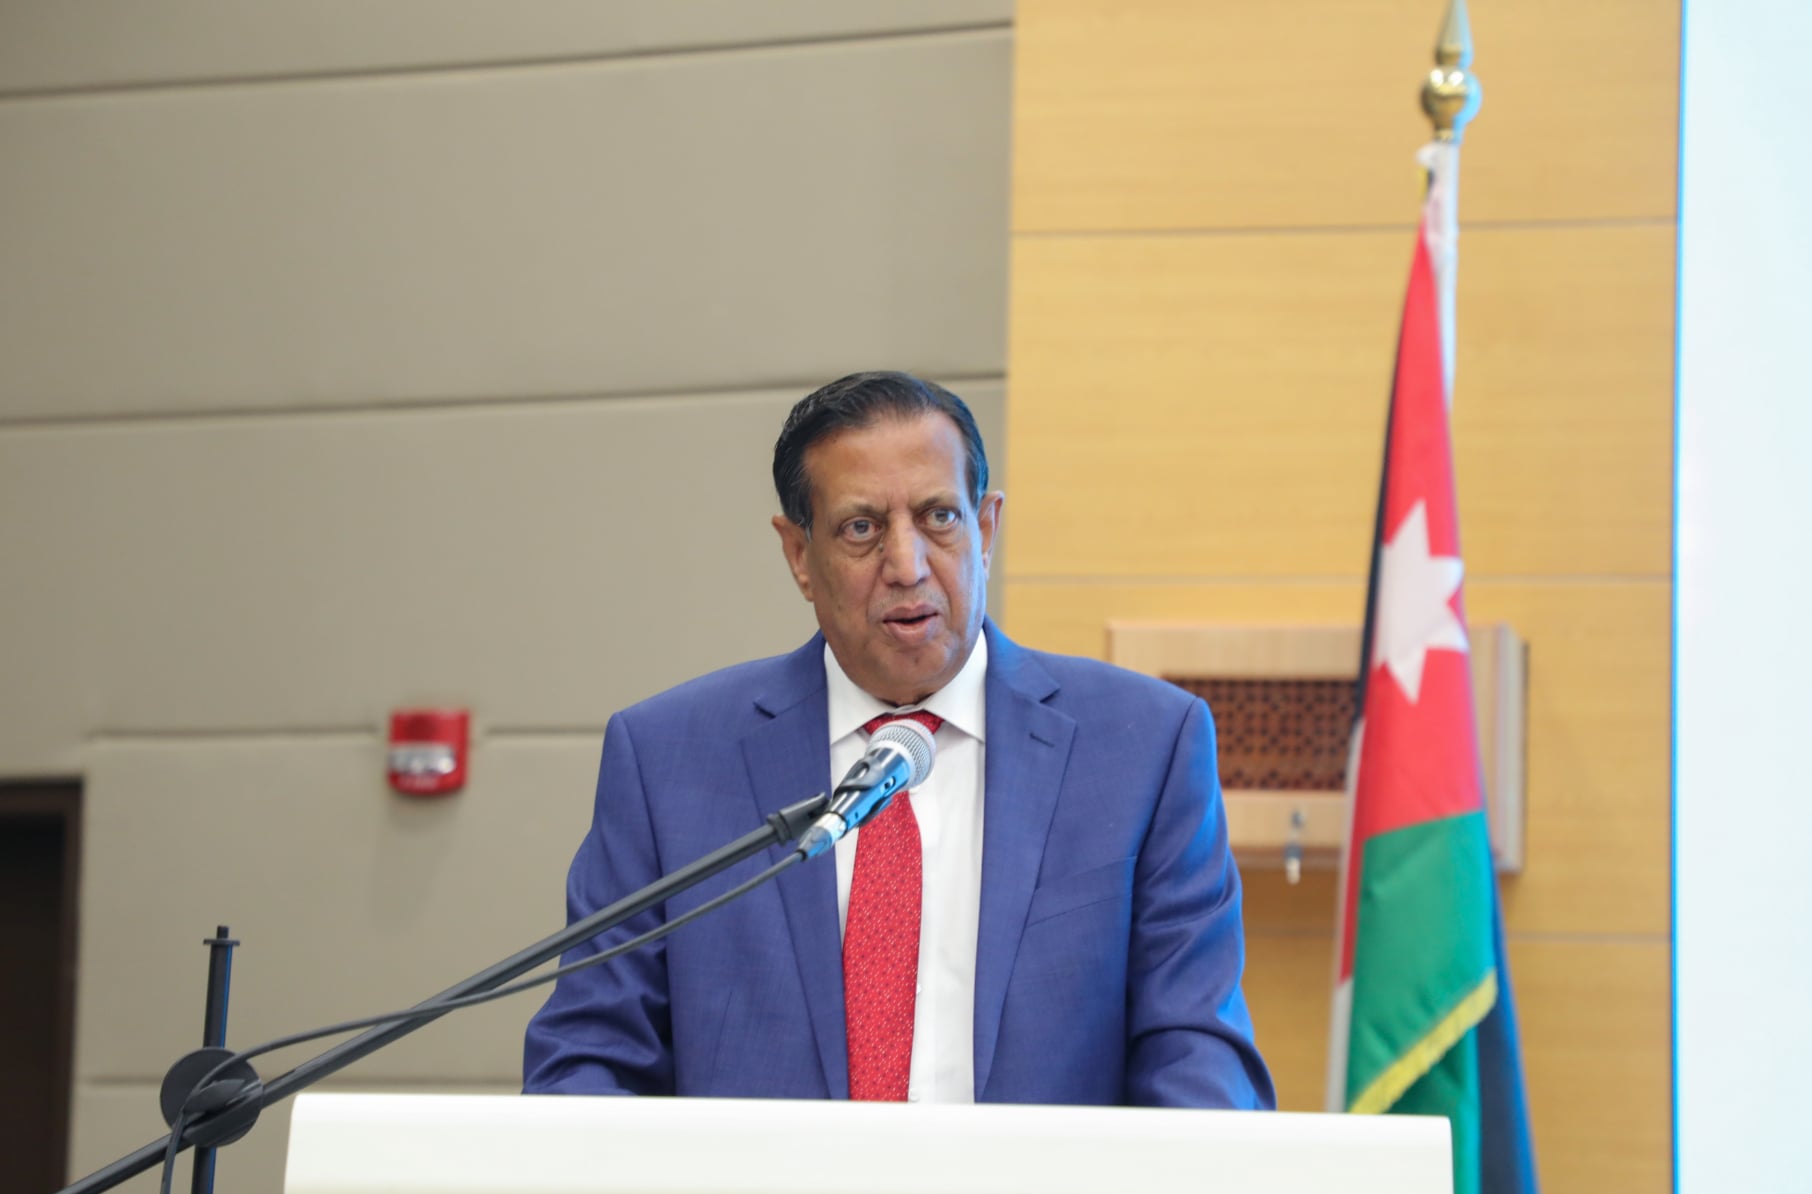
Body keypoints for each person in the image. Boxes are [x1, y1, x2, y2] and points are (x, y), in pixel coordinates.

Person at [523, 372, 1273, 1107]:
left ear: (986, 529)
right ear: (799, 555)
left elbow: (1197, 1060)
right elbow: (590, 1058)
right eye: (862, 528)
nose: (908, 566)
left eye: (939, 517)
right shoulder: (668, 761)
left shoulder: (1143, 748)